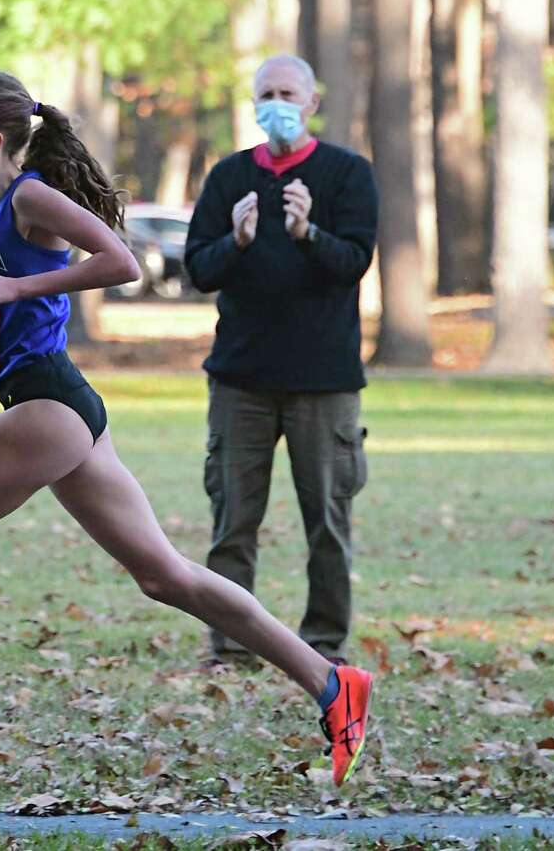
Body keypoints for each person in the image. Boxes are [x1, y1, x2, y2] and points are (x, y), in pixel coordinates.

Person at [0, 69, 373, 796]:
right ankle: (333, 683)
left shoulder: (31, 197)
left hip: (48, 405)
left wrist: (17, 288)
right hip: (58, 406)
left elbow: (121, 262)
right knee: (164, 576)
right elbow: (4, 285)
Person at [183, 55, 378, 667]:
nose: (277, 103)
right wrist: (236, 242)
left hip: (324, 382)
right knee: (233, 521)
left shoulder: (346, 173)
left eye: (287, 92)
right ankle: (232, 646)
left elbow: (353, 261)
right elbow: (198, 269)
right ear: (254, 105)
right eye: (266, 93)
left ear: (311, 102)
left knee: (327, 521)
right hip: (241, 378)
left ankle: (323, 644)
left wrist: (306, 233)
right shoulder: (229, 177)